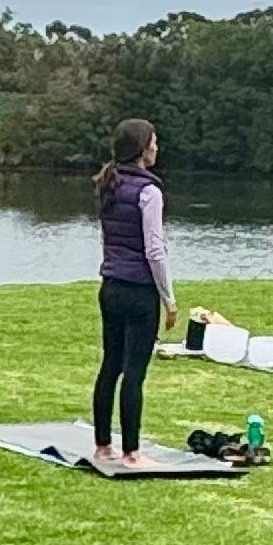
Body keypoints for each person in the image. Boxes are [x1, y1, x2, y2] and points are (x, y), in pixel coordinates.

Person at [90, 118, 175, 469]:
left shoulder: (110, 184)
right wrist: (168, 298)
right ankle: (132, 453)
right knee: (134, 372)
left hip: (110, 287)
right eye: (153, 142)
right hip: (140, 293)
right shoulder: (148, 192)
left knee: (110, 364)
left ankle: (102, 445)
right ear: (142, 149)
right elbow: (155, 250)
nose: (157, 148)